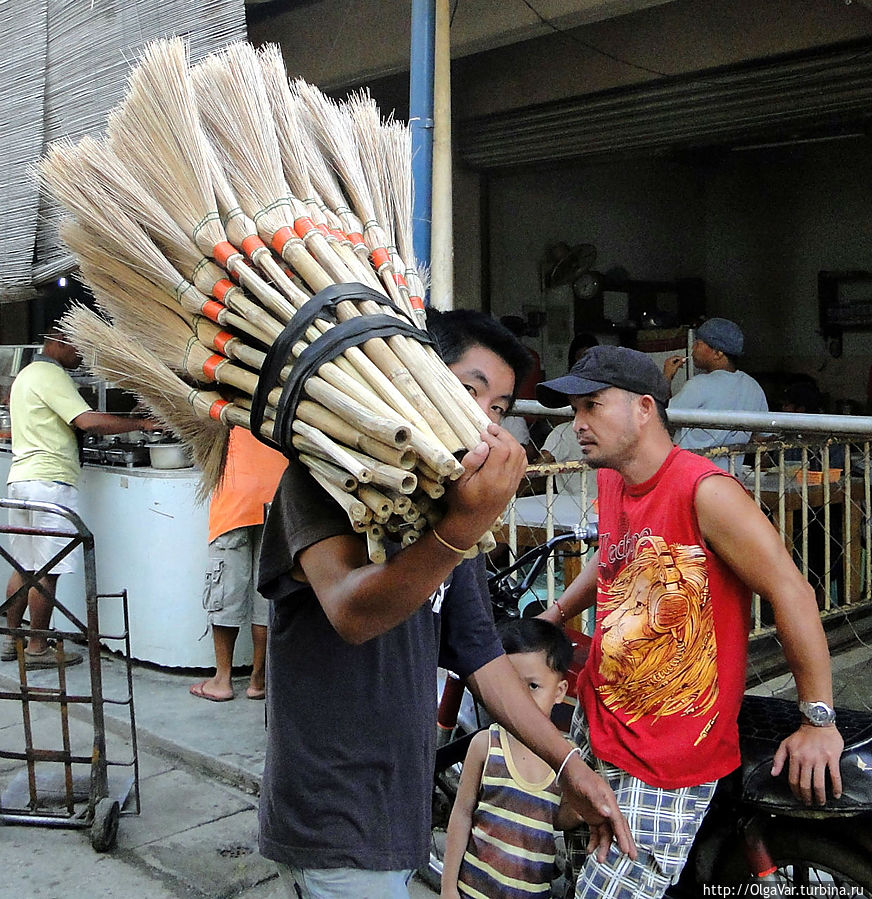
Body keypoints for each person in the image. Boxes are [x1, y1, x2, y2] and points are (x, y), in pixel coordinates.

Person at [256, 310, 636, 899]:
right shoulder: (321, 479)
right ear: (415, 380)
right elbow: (351, 613)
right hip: (332, 809)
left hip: (396, 803)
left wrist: (570, 766)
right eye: (468, 392)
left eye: (500, 408)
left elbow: (480, 651)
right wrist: (463, 525)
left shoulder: (450, 506)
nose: (484, 421)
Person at [535, 345, 844, 899]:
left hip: (668, 754)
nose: (577, 424)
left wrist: (817, 719)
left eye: (591, 407)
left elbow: (790, 590)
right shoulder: (612, 478)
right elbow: (612, 558)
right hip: (605, 720)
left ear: (644, 408)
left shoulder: (706, 492)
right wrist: (557, 612)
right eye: (574, 411)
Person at [2, 327, 157, 668]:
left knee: (24, 565)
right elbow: (88, 422)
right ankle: (38, 648)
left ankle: (12, 640)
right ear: (59, 341)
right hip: (49, 481)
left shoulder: (26, 374)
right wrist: (140, 424)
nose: (81, 356)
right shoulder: (49, 374)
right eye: (78, 347)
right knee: (47, 568)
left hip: (21, 479)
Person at [441, 617, 582, 899]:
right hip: (472, 891)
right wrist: (447, 888)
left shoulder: (565, 760)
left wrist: (579, 809)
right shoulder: (486, 745)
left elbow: (557, 820)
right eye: (510, 685)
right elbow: (461, 814)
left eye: (533, 686)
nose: (520, 697)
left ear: (559, 692)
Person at [189, 426, 287, 702]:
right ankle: (259, 679)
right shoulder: (281, 392)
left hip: (235, 497)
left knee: (226, 591)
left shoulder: (218, 391)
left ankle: (222, 679)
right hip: (279, 494)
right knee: (266, 591)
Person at [663, 318, 768, 465]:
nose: (693, 349)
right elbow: (764, 436)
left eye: (698, 343)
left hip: (692, 474)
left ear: (718, 353)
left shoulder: (699, 384)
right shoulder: (753, 387)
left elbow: (663, 416)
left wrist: (667, 376)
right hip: (730, 477)